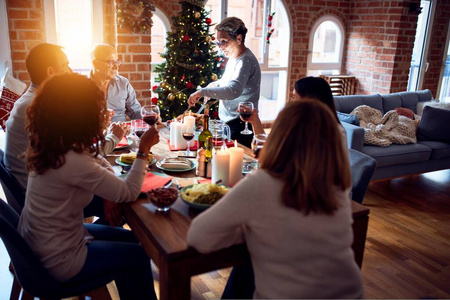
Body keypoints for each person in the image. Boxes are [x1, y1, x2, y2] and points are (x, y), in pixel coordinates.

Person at [187, 100, 363, 299]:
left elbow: (197, 236)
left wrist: (250, 230)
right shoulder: (336, 187)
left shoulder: (261, 183)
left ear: (279, 136)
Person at [18, 73, 159, 299]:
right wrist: (143, 150)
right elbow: (128, 192)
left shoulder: (53, 142)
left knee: (133, 240)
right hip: (60, 259)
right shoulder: (71, 157)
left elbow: (94, 163)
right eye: (97, 109)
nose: (100, 113)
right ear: (80, 115)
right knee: (139, 257)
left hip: (43, 243)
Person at [188, 17, 261, 148]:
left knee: (238, 164)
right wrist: (212, 86)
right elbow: (225, 82)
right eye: (218, 42)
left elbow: (233, 90)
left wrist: (202, 91)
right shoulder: (234, 58)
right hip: (230, 122)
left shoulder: (246, 61)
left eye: (224, 42)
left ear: (239, 39)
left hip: (240, 123)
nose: (220, 47)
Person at [90, 43, 141, 122]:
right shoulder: (80, 87)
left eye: (117, 62)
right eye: (111, 63)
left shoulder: (123, 83)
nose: (116, 67)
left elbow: (136, 113)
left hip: (120, 133)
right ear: (96, 64)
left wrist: (148, 117)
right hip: (93, 133)